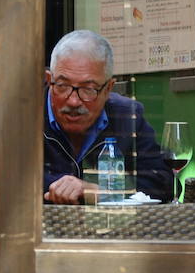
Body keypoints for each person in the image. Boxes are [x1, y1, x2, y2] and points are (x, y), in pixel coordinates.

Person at [43, 30, 172, 204]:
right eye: (62, 86)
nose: (73, 101)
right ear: (49, 79)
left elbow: (163, 183)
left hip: (113, 229)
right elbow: (4, 179)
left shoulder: (127, 116)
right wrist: (59, 186)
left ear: (109, 88)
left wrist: (95, 190)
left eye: (88, 89)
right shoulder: (25, 116)